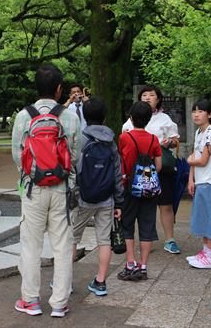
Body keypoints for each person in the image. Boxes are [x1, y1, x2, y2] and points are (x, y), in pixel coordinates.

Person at [11, 64, 81, 318]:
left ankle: (30, 300)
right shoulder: (70, 117)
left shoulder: (23, 116)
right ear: (60, 89)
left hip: (33, 189)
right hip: (62, 188)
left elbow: (17, 156)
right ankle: (59, 303)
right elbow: (75, 156)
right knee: (62, 245)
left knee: (31, 245)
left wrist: (33, 172)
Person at [71, 98, 123, 296]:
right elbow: (117, 174)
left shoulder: (81, 140)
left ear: (83, 115)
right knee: (104, 240)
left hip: (82, 198)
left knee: (71, 239)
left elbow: (74, 170)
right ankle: (100, 282)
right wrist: (119, 201)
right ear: (105, 117)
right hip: (106, 198)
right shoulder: (111, 142)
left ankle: (64, 281)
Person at [122, 85, 181, 254]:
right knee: (141, 206)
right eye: (144, 95)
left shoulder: (165, 119)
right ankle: (145, 241)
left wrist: (168, 142)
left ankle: (170, 239)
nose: (148, 97)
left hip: (159, 167)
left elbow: (175, 140)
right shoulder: (130, 120)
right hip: (138, 170)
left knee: (165, 204)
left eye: (152, 95)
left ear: (158, 99)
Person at [117, 101, 162, 281]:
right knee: (147, 226)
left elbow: (122, 162)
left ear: (131, 118)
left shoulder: (125, 138)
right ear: (149, 119)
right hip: (149, 191)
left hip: (129, 188)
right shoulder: (154, 139)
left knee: (127, 224)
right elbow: (158, 166)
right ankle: (143, 266)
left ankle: (130, 263)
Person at [186, 99, 211, 269]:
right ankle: (205, 252)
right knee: (203, 218)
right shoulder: (199, 133)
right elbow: (196, 155)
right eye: (194, 111)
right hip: (201, 181)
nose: (196, 114)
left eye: (200, 111)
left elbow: (201, 160)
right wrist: (191, 179)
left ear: (209, 114)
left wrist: (188, 161)